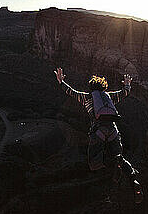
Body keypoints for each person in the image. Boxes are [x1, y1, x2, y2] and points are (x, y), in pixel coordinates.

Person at [54, 67, 143, 204]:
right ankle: (133, 179)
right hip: (114, 131)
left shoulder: (87, 97)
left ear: (91, 87)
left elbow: (71, 92)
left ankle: (110, 176)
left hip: (98, 132)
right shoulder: (109, 97)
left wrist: (61, 81)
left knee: (94, 164)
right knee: (119, 157)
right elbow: (125, 92)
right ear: (103, 87)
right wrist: (127, 84)